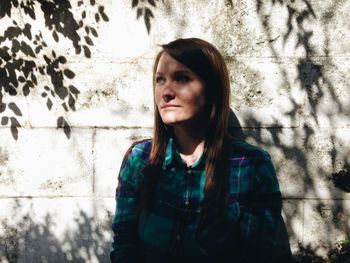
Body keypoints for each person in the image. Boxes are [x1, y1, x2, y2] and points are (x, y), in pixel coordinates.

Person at [110, 38, 291, 262]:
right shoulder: (140, 158)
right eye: (160, 80)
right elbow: (124, 242)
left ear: (212, 89)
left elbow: (258, 254)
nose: (166, 92)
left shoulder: (251, 165)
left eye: (181, 78)